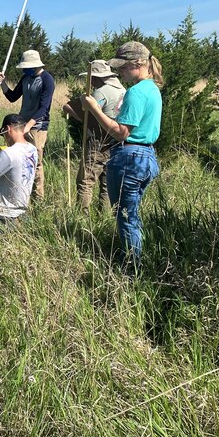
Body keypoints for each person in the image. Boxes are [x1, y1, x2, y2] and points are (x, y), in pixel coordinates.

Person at [81, 41, 163, 270]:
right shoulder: (152, 89)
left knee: (125, 217)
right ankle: (135, 259)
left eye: (123, 67)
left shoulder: (136, 92)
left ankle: (131, 268)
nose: (120, 72)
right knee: (131, 214)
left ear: (137, 63)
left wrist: (94, 109)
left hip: (130, 157)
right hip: (145, 156)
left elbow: (121, 132)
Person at [62, 60, 126, 211]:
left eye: (91, 78)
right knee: (106, 182)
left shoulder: (102, 92)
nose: (90, 82)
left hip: (99, 140)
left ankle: (82, 216)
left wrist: (71, 111)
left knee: (86, 180)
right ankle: (103, 214)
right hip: (117, 140)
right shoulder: (123, 90)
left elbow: (88, 114)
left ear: (97, 77)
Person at [0, 49, 55, 199]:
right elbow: (12, 97)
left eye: (26, 67)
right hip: (22, 124)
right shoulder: (25, 78)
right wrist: (3, 84)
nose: (24, 70)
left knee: (35, 162)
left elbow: (44, 107)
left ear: (35, 65)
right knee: (18, 159)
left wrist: (29, 125)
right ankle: (19, 194)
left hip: (37, 126)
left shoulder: (47, 80)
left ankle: (38, 198)